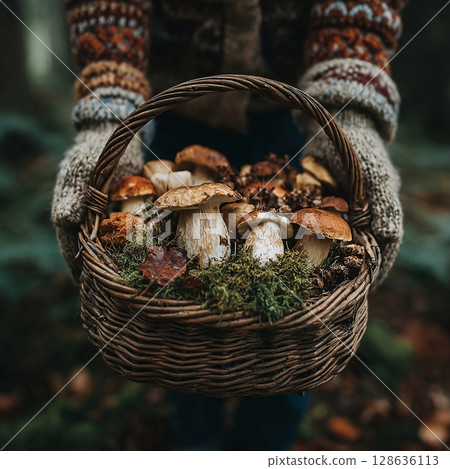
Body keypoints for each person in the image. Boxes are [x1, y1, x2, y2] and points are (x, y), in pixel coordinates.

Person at [51, 0, 407, 450]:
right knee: (184, 348)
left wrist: (350, 111)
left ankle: (268, 448)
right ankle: (196, 445)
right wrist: (108, 113)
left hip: (297, 107)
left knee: (289, 348)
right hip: (173, 106)